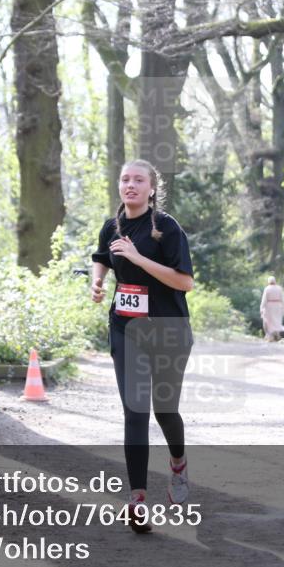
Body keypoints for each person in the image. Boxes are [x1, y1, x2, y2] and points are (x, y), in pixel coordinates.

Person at [90, 159, 195, 534]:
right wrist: (97, 282)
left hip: (167, 330)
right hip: (127, 329)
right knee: (135, 412)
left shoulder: (166, 228)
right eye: (124, 179)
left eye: (138, 180)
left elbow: (184, 283)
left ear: (152, 189)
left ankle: (178, 466)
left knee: (165, 411)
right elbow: (101, 259)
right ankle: (137, 500)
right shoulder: (112, 226)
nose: (130, 185)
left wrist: (136, 258)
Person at [259, 276, 284, 341]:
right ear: (275, 281)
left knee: (269, 321)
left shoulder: (267, 289)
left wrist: (261, 308)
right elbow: (282, 299)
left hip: (269, 306)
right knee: (277, 321)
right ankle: (277, 335)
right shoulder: (279, 288)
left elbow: (264, 299)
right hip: (278, 306)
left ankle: (270, 336)